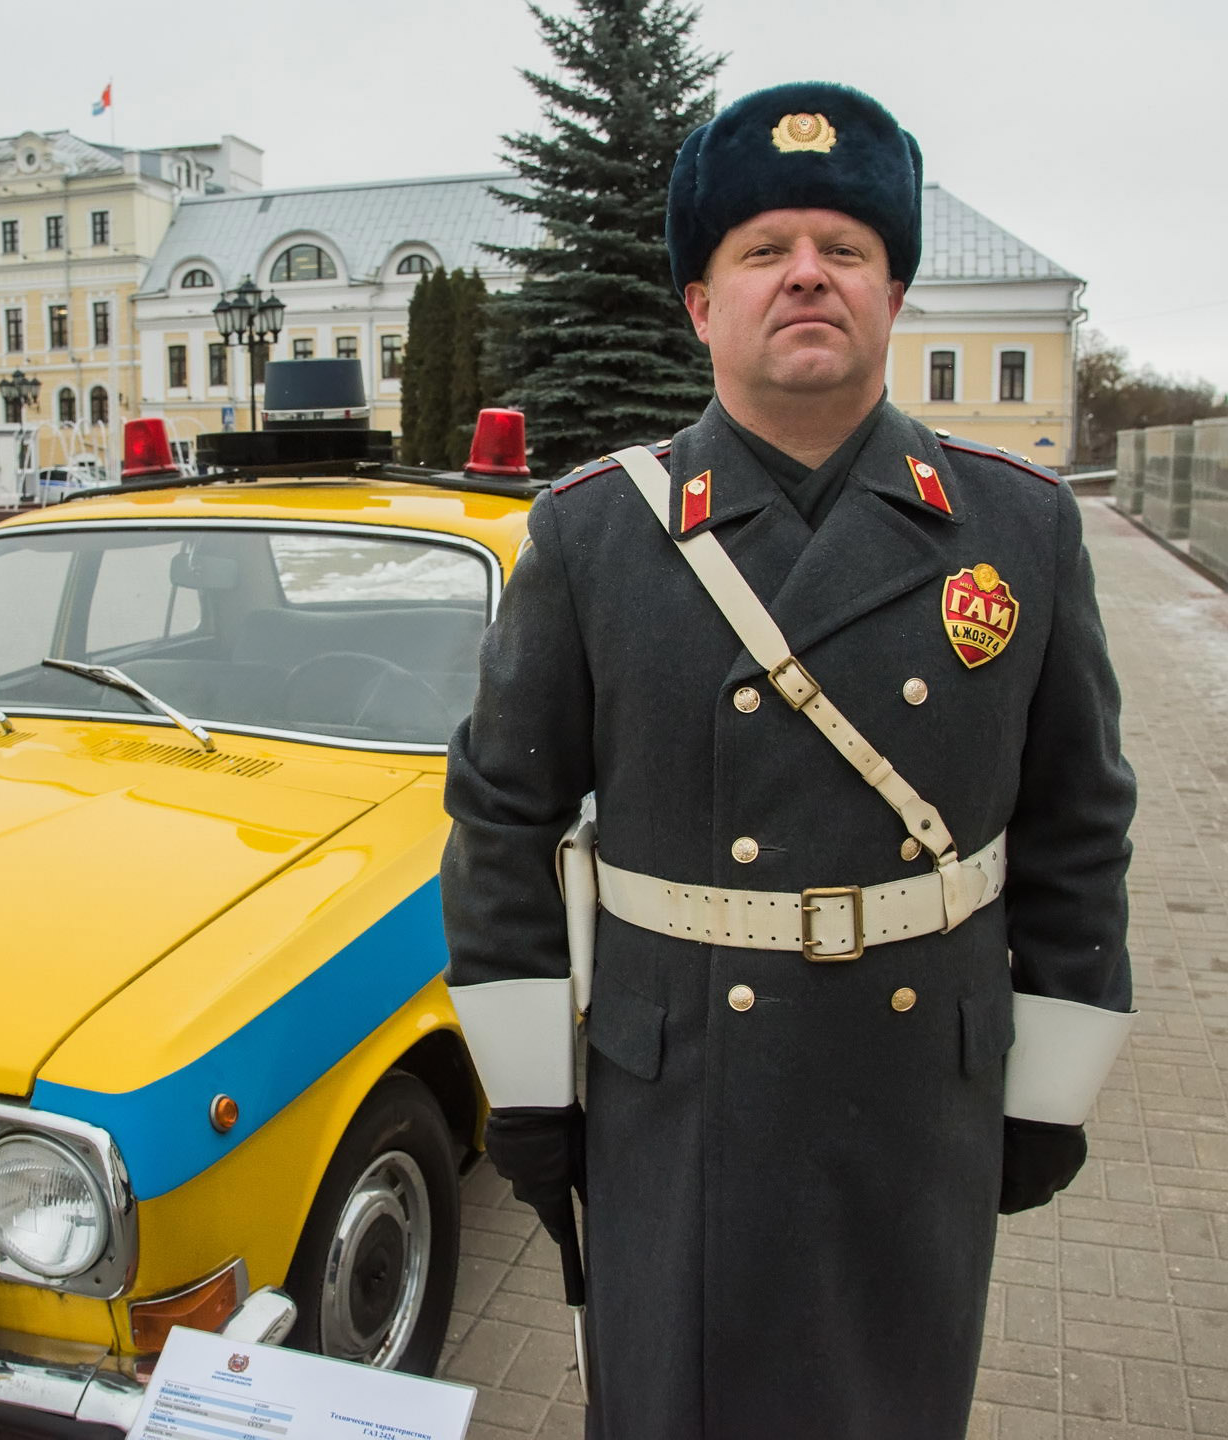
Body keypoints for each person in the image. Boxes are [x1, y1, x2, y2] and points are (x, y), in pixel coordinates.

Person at [442, 81, 1135, 1440]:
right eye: (763, 250)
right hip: (678, 1095)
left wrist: (1050, 1090)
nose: (805, 274)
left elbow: (1078, 828)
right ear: (702, 305)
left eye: (845, 249)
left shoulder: (1019, 530)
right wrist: (528, 1091)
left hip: (916, 1094)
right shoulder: (594, 536)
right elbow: (501, 819)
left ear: (893, 298)